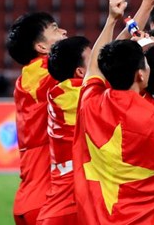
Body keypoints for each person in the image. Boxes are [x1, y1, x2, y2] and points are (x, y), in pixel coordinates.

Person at [73, 0, 154, 224]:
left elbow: (94, 64)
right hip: (134, 218)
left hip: (95, 217)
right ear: (140, 74)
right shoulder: (150, 116)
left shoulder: (89, 101)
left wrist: (111, 20)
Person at [6, 12, 67, 225]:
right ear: (42, 48)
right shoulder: (40, 72)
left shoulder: (32, 76)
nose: (64, 32)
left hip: (34, 201)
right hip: (47, 203)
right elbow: (102, 64)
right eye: (55, 29)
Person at [38, 36, 89, 225]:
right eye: (93, 60)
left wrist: (111, 21)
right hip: (70, 211)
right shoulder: (79, 93)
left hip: (57, 211)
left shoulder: (61, 92)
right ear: (80, 72)